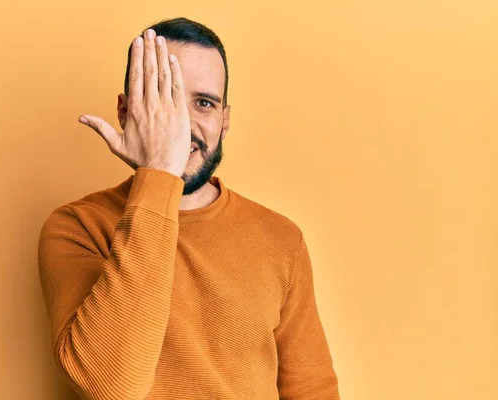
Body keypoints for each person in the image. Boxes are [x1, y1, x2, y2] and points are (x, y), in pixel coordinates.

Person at [37, 17, 340, 400]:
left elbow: (311, 390)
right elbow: (109, 388)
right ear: (127, 111)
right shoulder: (77, 227)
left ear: (224, 121)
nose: (183, 123)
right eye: (165, 97)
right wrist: (160, 172)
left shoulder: (281, 239)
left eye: (203, 103)